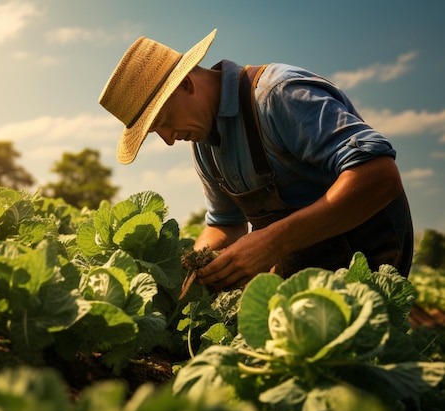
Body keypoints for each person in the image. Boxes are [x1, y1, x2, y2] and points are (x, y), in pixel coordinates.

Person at [98, 29, 413, 292]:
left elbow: (380, 176)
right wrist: (192, 268)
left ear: (186, 84)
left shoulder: (278, 95)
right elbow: (226, 224)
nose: (167, 139)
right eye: (156, 132)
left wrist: (273, 242)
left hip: (368, 266)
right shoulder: (203, 144)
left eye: (164, 120)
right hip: (303, 277)